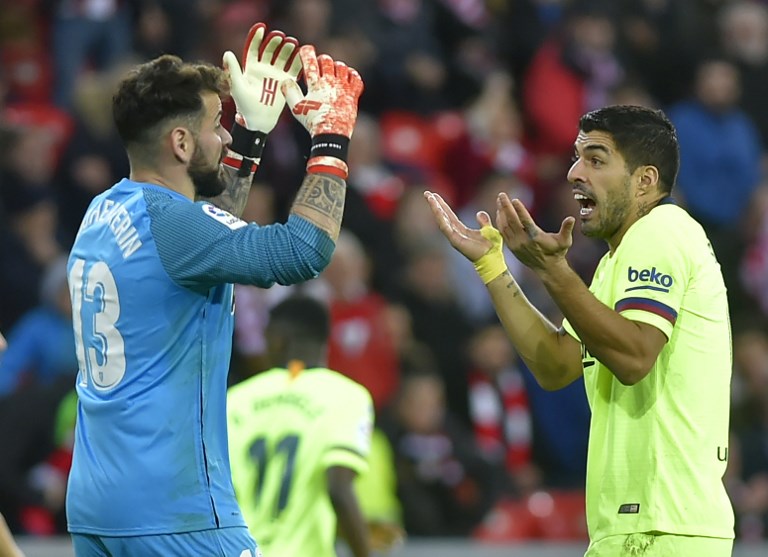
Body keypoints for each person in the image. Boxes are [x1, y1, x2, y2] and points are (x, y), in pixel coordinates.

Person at [65, 21, 364, 557]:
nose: (224, 135)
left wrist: (250, 139)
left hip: (98, 507)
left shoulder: (104, 210)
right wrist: (330, 140)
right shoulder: (174, 226)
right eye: (217, 126)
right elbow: (303, 251)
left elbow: (204, 238)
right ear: (180, 142)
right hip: (176, 511)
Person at [425, 105, 734, 556]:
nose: (573, 173)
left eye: (596, 158)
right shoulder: (615, 263)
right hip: (636, 529)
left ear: (645, 181)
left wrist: (553, 272)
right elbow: (556, 364)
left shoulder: (662, 230)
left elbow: (633, 358)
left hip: (662, 527)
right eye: (576, 157)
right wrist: (494, 268)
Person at [227, 296, 403, 557]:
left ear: (277, 339)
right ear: (324, 339)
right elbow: (339, 489)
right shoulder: (345, 395)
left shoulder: (235, 400)